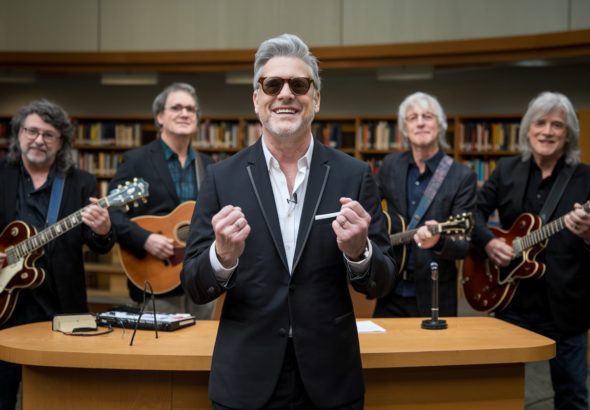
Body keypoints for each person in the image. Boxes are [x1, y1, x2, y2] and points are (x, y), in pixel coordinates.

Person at [180, 34, 396, 410]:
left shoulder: (355, 174)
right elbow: (195, 287)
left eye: (299, 84)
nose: (285, 94)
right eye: (272, 84)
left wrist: (360, 253)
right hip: (246, 379)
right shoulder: (221, 177)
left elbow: (382, 281)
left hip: (331, 378)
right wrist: (222, 257)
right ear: (256, 99)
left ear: (315, 99)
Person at [471, 91, 590, 410]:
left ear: (568, 135)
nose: (547, 131)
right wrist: (489, 242)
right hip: (510, 301)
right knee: (496, 392)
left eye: (557, 125)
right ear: (528, 129)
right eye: (540, 123)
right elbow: (473, 214)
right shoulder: (506, 169)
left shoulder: (586, 177)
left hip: (566, 308)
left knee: (573, 395)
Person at [0, 99, 116, 409]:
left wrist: (103, 230)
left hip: (59, 307)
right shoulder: (1, 173)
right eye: (32, 131)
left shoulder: (80, 182)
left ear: (61, 141)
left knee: (60, 397)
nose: (38, 140)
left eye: (49, 134)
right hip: (4, 306)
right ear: (19, 133)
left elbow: (100, 245)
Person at [108, 83, 216, 319]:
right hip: (156, 279)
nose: (185, 113)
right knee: (160, 353)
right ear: (160, 116)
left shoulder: (209, 165)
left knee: (201, 351)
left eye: (191, 109)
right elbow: (111, 212)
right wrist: (145, 239)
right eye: (176, 107)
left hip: (202, 278)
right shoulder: (136, 160)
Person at [373, 92, 477, 318]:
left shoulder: (462, 176)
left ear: (439, 125)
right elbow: (367, 205)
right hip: (388, 289)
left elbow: (463, 245)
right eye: (413, 118)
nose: (420, 122)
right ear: (405, 128)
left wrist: (439, 241)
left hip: (435, 293)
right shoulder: (391, 164)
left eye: (427, 116)